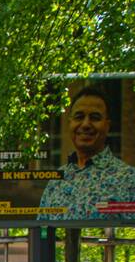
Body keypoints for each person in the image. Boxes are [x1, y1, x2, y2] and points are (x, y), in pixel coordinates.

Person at [40, 87, 135, 222]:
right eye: (79, 117)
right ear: (70, 123)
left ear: (107, 126)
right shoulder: (56, 181)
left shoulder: (129, 180)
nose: (85, 124)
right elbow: (41, 235)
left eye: (95, 118)